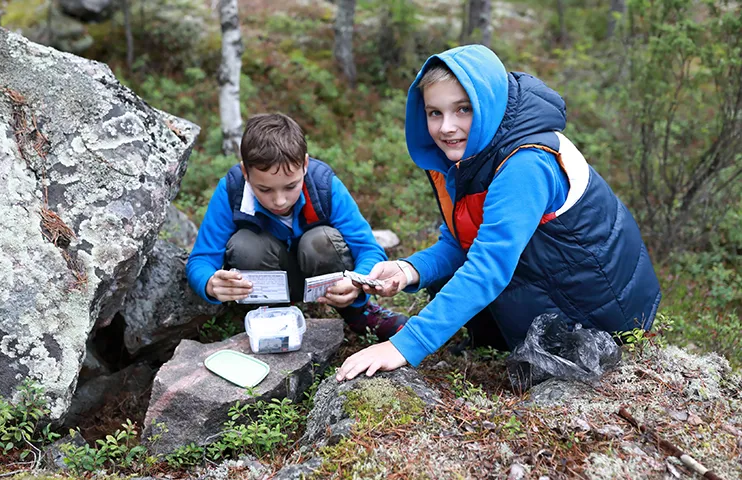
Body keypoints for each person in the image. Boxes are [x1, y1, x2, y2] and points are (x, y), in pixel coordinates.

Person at [336, 44, 662, 381]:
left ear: (489, 102)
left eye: (463, 109)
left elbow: (489, 265)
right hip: (553, 283)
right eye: (435, 113)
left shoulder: (525, 164)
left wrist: (403, 346)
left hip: (601, 315)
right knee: (443, 277)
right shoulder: (474, 153)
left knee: (475, 276)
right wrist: (408, 270)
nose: (447, 127)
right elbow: (459, 242)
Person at [186, 113, 408, 340]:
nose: (279, 201)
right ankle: (273, 317)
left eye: (290, 186)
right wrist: (210, 284)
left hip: (324, 280)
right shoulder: (232, 190)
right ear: (246, 173)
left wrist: (356, 282)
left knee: (321, 241)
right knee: (245, 245)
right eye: (264, 189)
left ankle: (358, 313)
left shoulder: (323, 185)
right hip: (267, 285)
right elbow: (201, 260)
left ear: (304, 165)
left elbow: (369, 250)